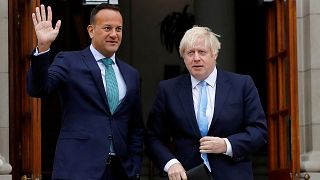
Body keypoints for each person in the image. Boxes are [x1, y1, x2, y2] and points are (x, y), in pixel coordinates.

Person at [27, 3, 144, 180]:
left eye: (119, 29)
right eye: (107, 28)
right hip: (77, 169)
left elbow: (135, 127)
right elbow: (38, 89)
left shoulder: (131, 74)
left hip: (120, 171)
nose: (114, 34)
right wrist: (43, 47)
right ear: (91, 31)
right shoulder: (68, 61)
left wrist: (134, 168)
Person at [145, 26, 267, 180]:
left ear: (214, 54)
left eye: (202, 52)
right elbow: (152, 137)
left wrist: (226, 145)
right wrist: (171, 163)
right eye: (190, 53)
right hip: (187, 175)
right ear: (183, 57)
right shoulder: (168, 90)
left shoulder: (242, 85)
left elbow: (259, 131)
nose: (196, 58)